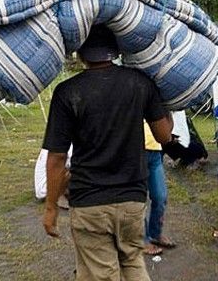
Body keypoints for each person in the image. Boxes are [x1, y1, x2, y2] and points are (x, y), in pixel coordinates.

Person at [42, 24, 173, 281]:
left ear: (80, 54)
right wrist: (165, 102)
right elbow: (164, 136)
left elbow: (57, 157)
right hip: (132, 200)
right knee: (133, 263)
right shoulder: (140, 83)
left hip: (89, 202)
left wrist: (51, 208)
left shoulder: (67, 92)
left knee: (100, 274)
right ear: (115, 50)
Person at [143, 123, 177, 255]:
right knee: (139, 199)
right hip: (136, 150)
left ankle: (155, 233)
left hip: (155, 149)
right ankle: (142, 240)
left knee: (160, 196)